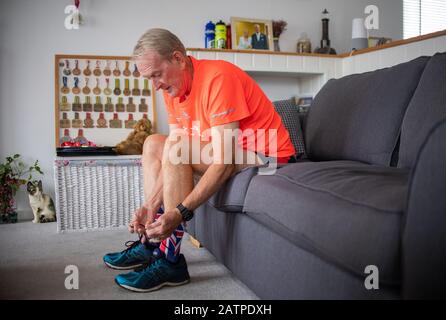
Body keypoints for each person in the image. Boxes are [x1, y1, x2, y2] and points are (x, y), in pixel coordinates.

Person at [103, 28, 296, 292]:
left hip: (269, 157)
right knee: (153, 143)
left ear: (179, 59)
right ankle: (150, 240)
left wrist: (179, 212)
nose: (155, 85)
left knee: (176, 144)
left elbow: (224, 160)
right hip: (227, 152)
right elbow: (173, 155)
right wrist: (150, 205)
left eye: (157, 74)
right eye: (150, 78)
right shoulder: (172, 89)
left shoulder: (218, 78)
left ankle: (169, 260)